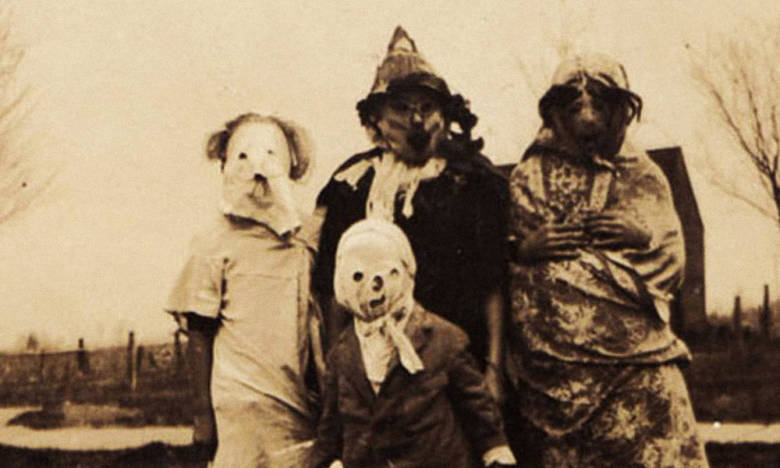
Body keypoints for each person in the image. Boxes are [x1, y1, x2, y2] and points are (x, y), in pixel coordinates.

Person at [504, 54, 709, 467]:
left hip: (636, 361)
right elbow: (504, 257)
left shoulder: (643, 175)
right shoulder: (530, 175)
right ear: (556, 113)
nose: (588, 119)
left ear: (619, 111)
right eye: (575, 107)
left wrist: (641, 235)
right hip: (555, 370)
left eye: (599, 105)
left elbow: (672, 258)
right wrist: (524, 250)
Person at [313, 26, 509, 402]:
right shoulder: (352, 185)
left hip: (459, 360)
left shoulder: (472, 181)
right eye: (401, 108)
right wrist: (339, 369)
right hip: (377, 367)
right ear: (377, 118)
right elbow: (332, 289)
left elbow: (493, 284)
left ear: (444, 114)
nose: (416, 120)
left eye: (427, 107)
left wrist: (494, 369)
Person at [165, 113, 325, 467]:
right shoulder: (213, 242)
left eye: (270, 157)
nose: (257, 171)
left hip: (296, 396)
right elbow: (199, 331)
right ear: (225, 165)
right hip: (237, 399)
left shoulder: (307, 237)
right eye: (242, 157)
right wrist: (203, 416)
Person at [311, 218, 516, 468]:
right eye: (357, 277)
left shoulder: (444, 339)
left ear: (405, 271)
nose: (373, 287)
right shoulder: (343, 355)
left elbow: (484, 422)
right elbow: (330, 435)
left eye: (384, 274)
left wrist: (496, 454)